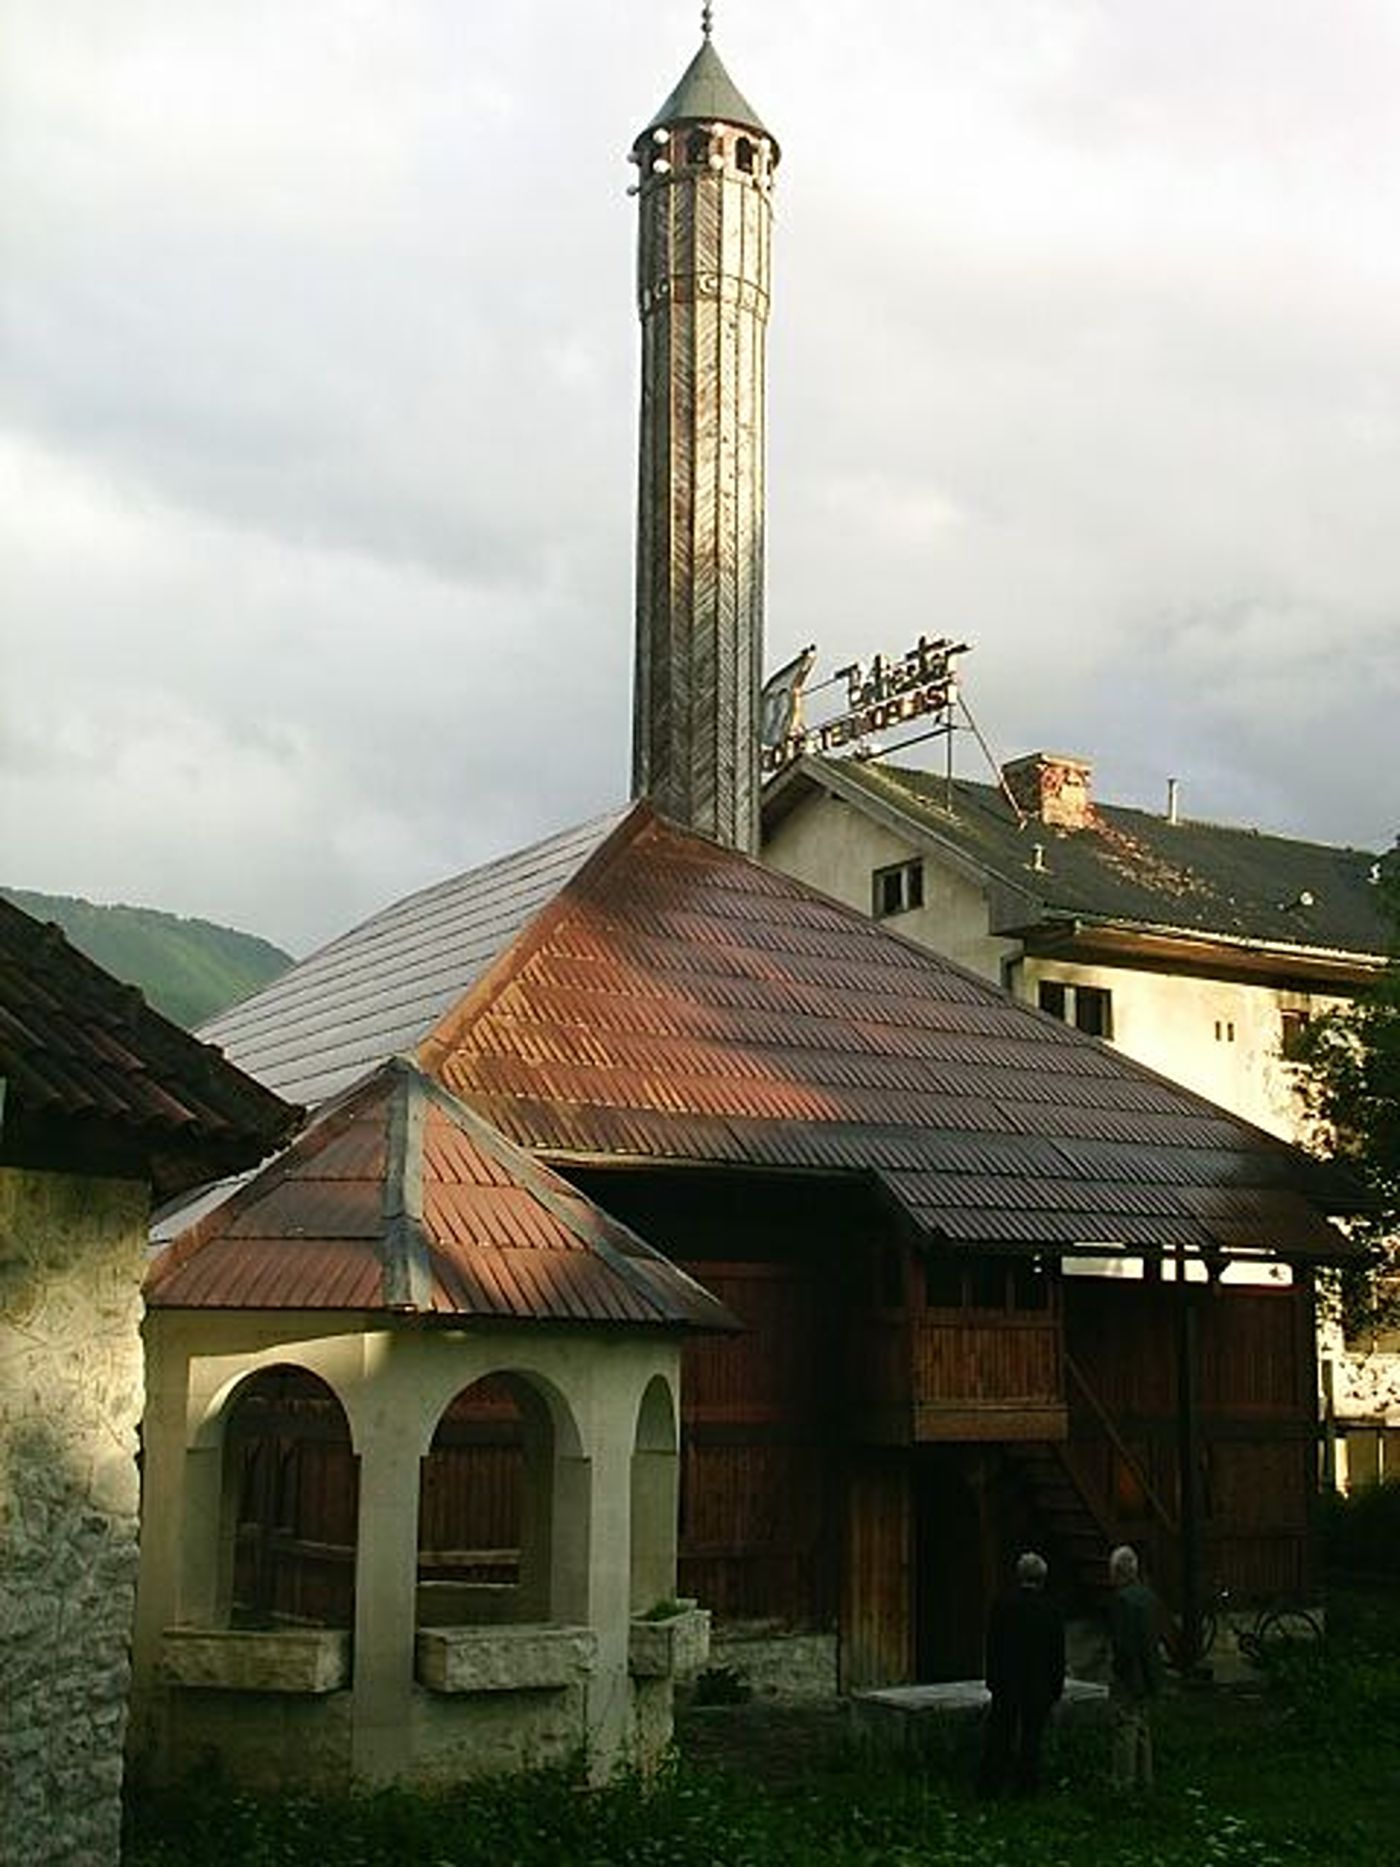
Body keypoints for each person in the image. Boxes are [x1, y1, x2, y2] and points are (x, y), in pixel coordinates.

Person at [977, 1550, 1066, 1797]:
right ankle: (1026, 1788)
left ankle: (990, 1786)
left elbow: (993, 1646)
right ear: (1042, 1578)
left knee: (999, 1736)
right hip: (1038, 1685)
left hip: (1007, 1683)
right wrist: (1056, 1688)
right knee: (1031, 1739)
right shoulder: (1051, 1610)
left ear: (1019, 1575)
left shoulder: (1002, 1605)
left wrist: (992, 1679)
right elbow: (1056, 1654)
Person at [1107, 1543, 1164, 1793]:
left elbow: (1123, 1645)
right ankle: (1146, 1778)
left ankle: (1124, 1780)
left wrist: (1118, 1670)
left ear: (1118, 1572)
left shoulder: (1122, 1601)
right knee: (1143, 1725)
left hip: (1130, 1673)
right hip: (1150, 1669)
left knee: (1125, 1726)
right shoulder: (1149, 1596)